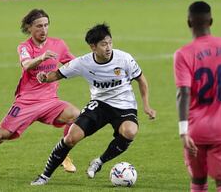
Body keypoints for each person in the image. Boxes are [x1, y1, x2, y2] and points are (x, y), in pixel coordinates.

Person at [0, 9, 80, 179]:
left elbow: (74, 64)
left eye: (46, 25)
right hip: (26, 103)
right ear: (29, 28)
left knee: (76, 116)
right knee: (0, 135)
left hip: (50, 101)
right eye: (38, 26)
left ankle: (63, 155)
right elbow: (27, 64)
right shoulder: (24, 47)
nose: (43, 30)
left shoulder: (59, 44)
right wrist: (42, 58)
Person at [30, 23, 156, 185]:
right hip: (100, 105)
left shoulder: (124, 58)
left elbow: (141, 80)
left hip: (124, 105)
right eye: (103, 44)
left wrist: (146, 105)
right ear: (93, 47)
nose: (108, 47)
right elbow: (58, 74)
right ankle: (44, 176)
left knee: (130, 131)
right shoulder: (83, 63)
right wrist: (44, 77)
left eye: (110, 42)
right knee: (71, 138)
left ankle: (99, 162)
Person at [173, 1, 221, 192]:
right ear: (211, 21)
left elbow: (184, 92)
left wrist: (183, 131)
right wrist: (220, 88)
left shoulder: (183, 54)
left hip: (195, 131)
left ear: (189, 22)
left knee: (198, 183)